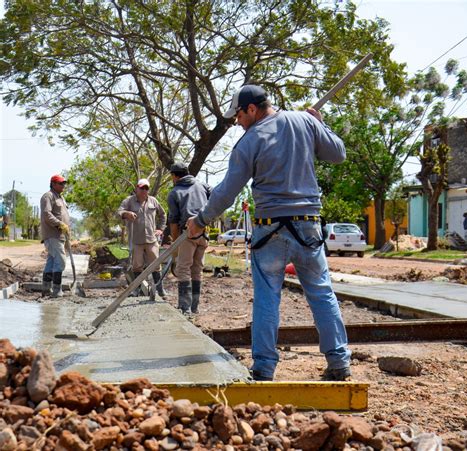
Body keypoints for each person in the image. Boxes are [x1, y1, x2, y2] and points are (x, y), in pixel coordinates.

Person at [187, 85, 351, 381]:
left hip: (270, 229)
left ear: (251, 109)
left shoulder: (251, 141)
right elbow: (337, 153)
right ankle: (339, 362)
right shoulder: (305, 122)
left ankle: (264, 368)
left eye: (237, 115)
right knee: (321, 292)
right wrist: (320, 125)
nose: (236, 122)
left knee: (266, 298)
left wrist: (201, 219)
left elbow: (227, 191)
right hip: (307, 225)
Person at [167, 162, 212, 315]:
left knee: (183, 268)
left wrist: (175, 242)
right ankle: (194, 307)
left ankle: (185, 308)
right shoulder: (203, 186)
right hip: (204, 232)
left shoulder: (175, 192)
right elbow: (215, 198)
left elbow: (173, 221)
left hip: (187, 234)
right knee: (197, 269)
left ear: (174, 175)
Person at [118, 178, 167, 298]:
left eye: (146, 188)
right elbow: (119, 211)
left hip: (151, 239)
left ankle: (160, 289)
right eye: (142, 188)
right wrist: (126, 214)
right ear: (136, 188)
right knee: (137, 265)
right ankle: (137, 290)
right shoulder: (129, 201)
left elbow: (163, 215)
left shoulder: (153, 201)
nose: (144, 190)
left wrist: (160, 229)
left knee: (156, 264)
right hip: (136, 240)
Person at [40, 174, 70, 297]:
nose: (63, 185)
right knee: (60, 261)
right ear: (53, 184)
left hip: (61, 235)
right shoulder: (48, 196)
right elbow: (47, 214)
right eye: (60, 183)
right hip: (53, 234)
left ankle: (46, 289)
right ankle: (57, 290)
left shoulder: (61, 198)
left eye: (64, 183)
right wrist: (60, 224)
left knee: (52, 262)